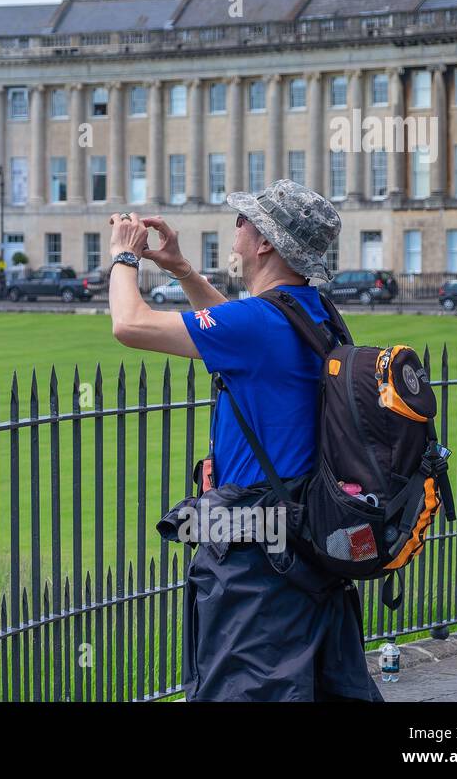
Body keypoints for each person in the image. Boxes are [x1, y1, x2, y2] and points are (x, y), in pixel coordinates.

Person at [107, 178, 382, 702]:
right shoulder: (313, 312)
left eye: (244, 220)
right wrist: (182, 270)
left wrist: (125, 257)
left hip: (255, 565)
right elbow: (237, 328)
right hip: (307, 544)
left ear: (265, 243)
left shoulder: (258, 323)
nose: (236, 228)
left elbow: (129, 324)